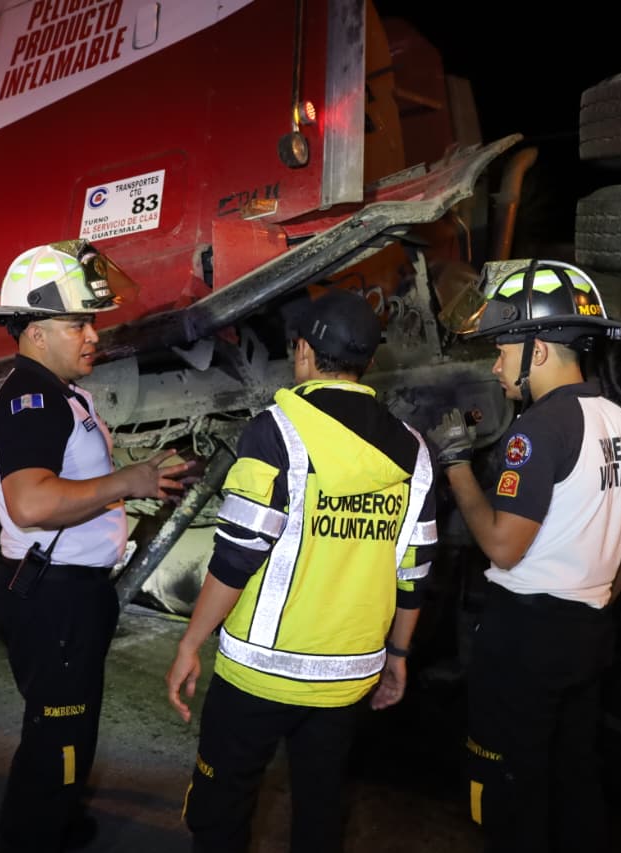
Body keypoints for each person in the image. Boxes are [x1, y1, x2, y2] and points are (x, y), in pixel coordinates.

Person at [165, 287, 439, 853]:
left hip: (258, 675)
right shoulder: (413, 451)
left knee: (221, 807)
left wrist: (191, 642)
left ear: (308, 355)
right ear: (365, 362)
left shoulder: (277, 433)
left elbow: (236, 556)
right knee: (320, 806)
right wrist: (399, 657)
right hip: (347, 677)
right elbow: (414, 570)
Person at [0, 240, 197, 853]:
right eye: (78, 323)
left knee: (69, 729)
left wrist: (138, 484)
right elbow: (31, 502)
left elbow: (69, 487)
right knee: (58, 740)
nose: (93, 334)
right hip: (54, 600)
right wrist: (127, 481)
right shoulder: (32, 399)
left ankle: (60, 824)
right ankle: (34, 838)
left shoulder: (57, 393)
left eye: (91, 321)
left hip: (65, 594)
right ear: (38, 331)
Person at [427, 259, 621, 853]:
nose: (496, 365)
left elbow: (502, 543)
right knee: (573, 775)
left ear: (540, 352)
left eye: (504, 350)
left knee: (507, 787)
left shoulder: (540, 430)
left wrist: (455, 466)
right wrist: (595, 597)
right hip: (589, 629)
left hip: (526, 638)